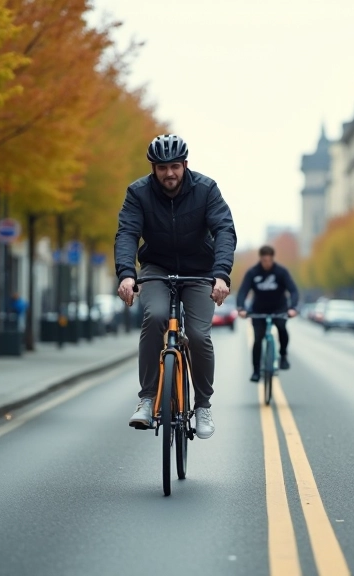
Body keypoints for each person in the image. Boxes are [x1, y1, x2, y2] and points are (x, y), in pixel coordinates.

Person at [115, 134, 236, 440]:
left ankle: (203, 405)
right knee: (155, 317)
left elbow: (223, 229)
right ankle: (146, 399)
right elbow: (127, 232)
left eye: (174, 167)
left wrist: (221, 275)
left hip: (200, 270)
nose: (169, 173)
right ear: (153, 169)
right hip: (157, 268)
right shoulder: (138, 193)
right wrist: (127, 274)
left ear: (185, 165)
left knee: (197, 334)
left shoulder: (206, 189)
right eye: (161, 168)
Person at [236, 245, 299, 382]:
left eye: (269, 260)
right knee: (258, 339)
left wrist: (293, 307)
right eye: (264, 260)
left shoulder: (281, 272)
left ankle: (283, 355)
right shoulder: (252, 272)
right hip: (258, 310)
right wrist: (241, 308)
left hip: (279, 308)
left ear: (272, 259)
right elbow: (243, 291)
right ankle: (256, 371)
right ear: (261, 259)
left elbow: (293, 291)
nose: (266, 263)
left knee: (282, 328)